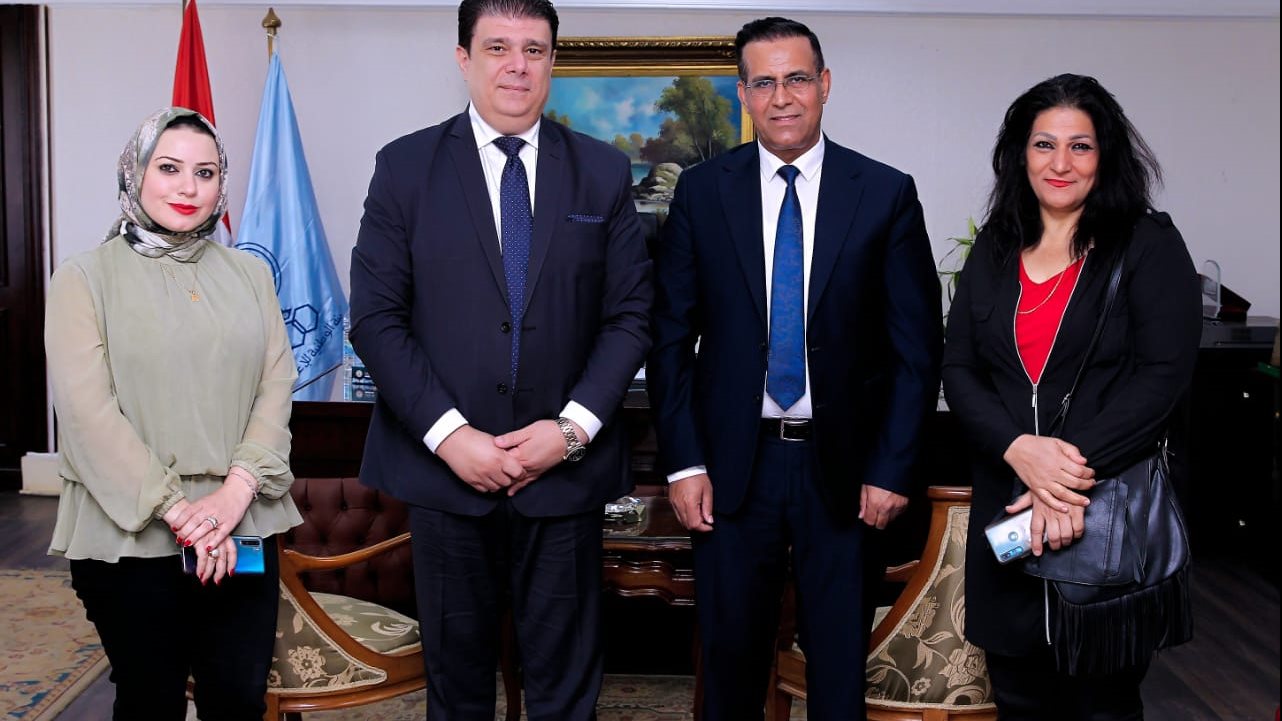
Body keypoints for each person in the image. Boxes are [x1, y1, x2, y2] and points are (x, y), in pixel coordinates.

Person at [347, 0, 652, 718]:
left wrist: (570, 431)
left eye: (534, 50)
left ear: (552, 62)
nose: (518, 65)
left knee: (566, 694)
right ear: (463, 58)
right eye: (498, 47)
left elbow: (631, 317)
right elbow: (376, 319)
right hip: (445, 477)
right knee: (457, 693)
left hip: (564, 479)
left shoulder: (603, 172)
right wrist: (453, 437)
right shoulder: (405, 167)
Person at [647, 17, 943, 720]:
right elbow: (668, 338)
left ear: (825, 84)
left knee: (837, 672)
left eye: (797, 79)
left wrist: (891, 467)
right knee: (728, 669)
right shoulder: (702, 193)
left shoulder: (884, 192)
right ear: (744, 94)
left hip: (845, 473)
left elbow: (916, 348)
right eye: (764, 82)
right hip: (731, 471)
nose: (782, 97)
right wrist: (684, 464)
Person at [942, 73, 1201, 720]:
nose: (1061, 163)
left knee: (1102, 705)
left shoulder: (1146, 244)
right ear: (1019, 154)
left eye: (1080, 146)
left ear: (1104, 155)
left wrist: (1060, 475)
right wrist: (1018, 449)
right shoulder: (996, 247)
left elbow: (1163, 376)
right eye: (1044, 144)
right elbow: (960, 367)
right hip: (1008, 515)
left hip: (1102, 513)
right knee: (1018, 698)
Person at [44, 107, 302, 720]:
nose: (188, 187)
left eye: (205, 172)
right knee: (150, 702)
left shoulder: (251, 274)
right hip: (128, 535)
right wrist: (183, 513)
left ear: (221, 184)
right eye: (168, 168)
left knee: (237, 699)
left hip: (242, 522)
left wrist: (235, 494)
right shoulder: (84, 278)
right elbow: (87, 415)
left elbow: (276, 384)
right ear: (134, 173)